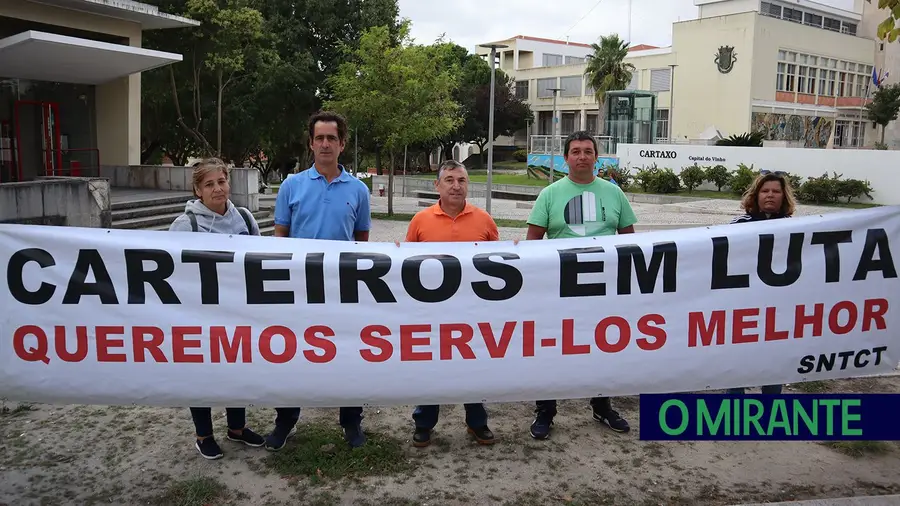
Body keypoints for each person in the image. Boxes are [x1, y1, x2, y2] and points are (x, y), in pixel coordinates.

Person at [525, 131, 637, 440]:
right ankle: (545, 409)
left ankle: (602, 404)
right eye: (575, 151)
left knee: (602, 345)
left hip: (603, 288)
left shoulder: (614, 194)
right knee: (552, 348)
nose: (582, 156)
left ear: (596, 157)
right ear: (566, 158)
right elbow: (532, 243)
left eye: (588, 151)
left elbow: (631, 241)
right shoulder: (550, 194)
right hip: (560, 287)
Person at [271, 110, 372, 450]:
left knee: (348, 355)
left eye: (332, 138)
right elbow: (280, 237)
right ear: (311, 144)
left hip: (342, 289)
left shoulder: (358, 190)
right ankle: (285, 421)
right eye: (319, 138)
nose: (325, 144)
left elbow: (361, 242)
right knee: (292, 356)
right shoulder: (291, 185)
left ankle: (351, 423)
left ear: (342, 145)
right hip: (299, 289)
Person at [168, 158, 264, 459]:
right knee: (202, 374)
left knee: (237, 370)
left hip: (238, 312)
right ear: (198, 190)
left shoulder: (246, 219)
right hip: (201, 314)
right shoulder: (186, 225)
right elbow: (170, 270)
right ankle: (203, 434)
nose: (217, 188)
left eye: (221, 181)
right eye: (209, 184)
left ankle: (237, 428)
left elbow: (261, 260)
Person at [404, 160, 500, 447]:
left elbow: (499, 262)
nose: (456, 186)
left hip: (472, 311)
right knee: (432, 367)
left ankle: (477, 422)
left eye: (461, 180)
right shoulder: (420, 221)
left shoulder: (484, 220)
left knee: (472, 367)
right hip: (432, 312)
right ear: (437, 185)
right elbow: (405, 265)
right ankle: (424, 422)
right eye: (449, 180)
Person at [726, 169, 797, 395]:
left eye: (776, 191)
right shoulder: (738, 225)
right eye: (765, 190)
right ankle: (734, 413)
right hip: (743, 306)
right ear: (756, 195)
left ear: (784, 197)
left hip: (778, 309)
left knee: (773, 363)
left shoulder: (797, 229)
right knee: (738, 362)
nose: (770, 195)